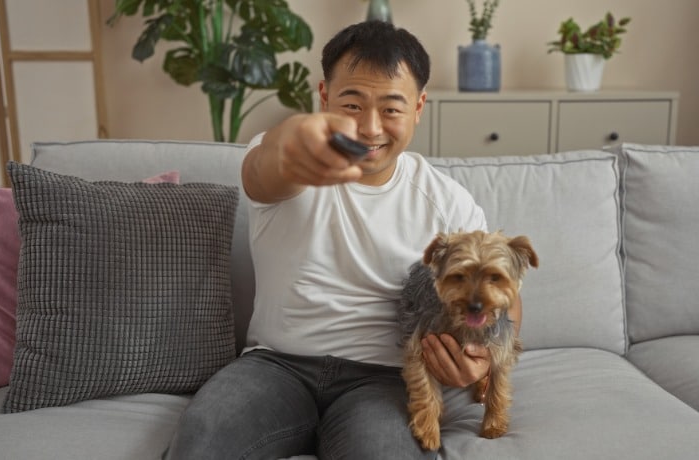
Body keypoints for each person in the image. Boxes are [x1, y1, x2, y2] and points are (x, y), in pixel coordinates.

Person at [165, 20, 522, 460]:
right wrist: (290, 143)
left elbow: (504, 294)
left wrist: (480, 361)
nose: (370, 128)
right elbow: (268, 168)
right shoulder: (288, 163)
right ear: (324, 97)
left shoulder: (448, 202)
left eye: (391, 108)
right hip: (274, 366)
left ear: (419, 107)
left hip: (384, 379)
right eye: (352, 105)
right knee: (202, 439)